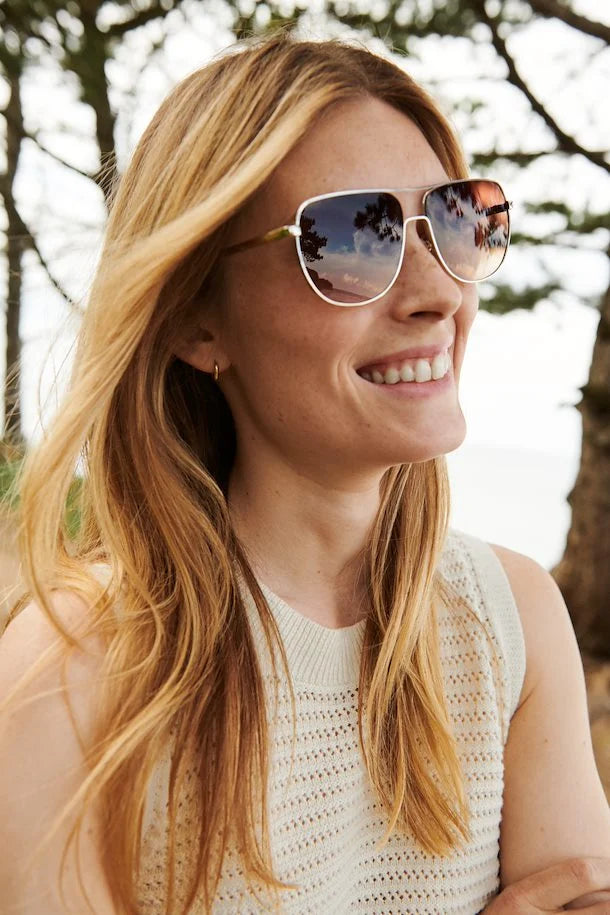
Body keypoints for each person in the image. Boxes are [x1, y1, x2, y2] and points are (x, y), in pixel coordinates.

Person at [1, 28, 609, 915]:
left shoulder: (510, 621)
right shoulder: (74, 674)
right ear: (196, 320)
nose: (439, 292)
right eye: (354, 238)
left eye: (455, 219)